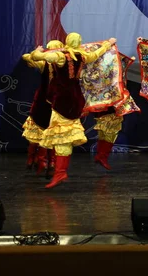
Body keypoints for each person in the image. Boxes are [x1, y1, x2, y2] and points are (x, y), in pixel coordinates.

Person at [31, 33, 116, 188]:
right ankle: (59, 171)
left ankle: (60, 172)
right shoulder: (83, 56)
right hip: (76, 98)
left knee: (62, 136)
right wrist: (108, 44)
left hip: (62, 99)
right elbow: (97, 53)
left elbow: (36, 57)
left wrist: (38, 50)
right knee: (64, 137)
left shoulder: (61, 56)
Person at [21, 40, 64, 177]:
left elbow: (26, 57)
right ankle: (51, 162)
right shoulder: (67, 62)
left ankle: (34, 160)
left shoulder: (43, 63)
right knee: (52, 133)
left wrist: (38, 51)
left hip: (42, 100)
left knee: (37, 130)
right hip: (58, 101)